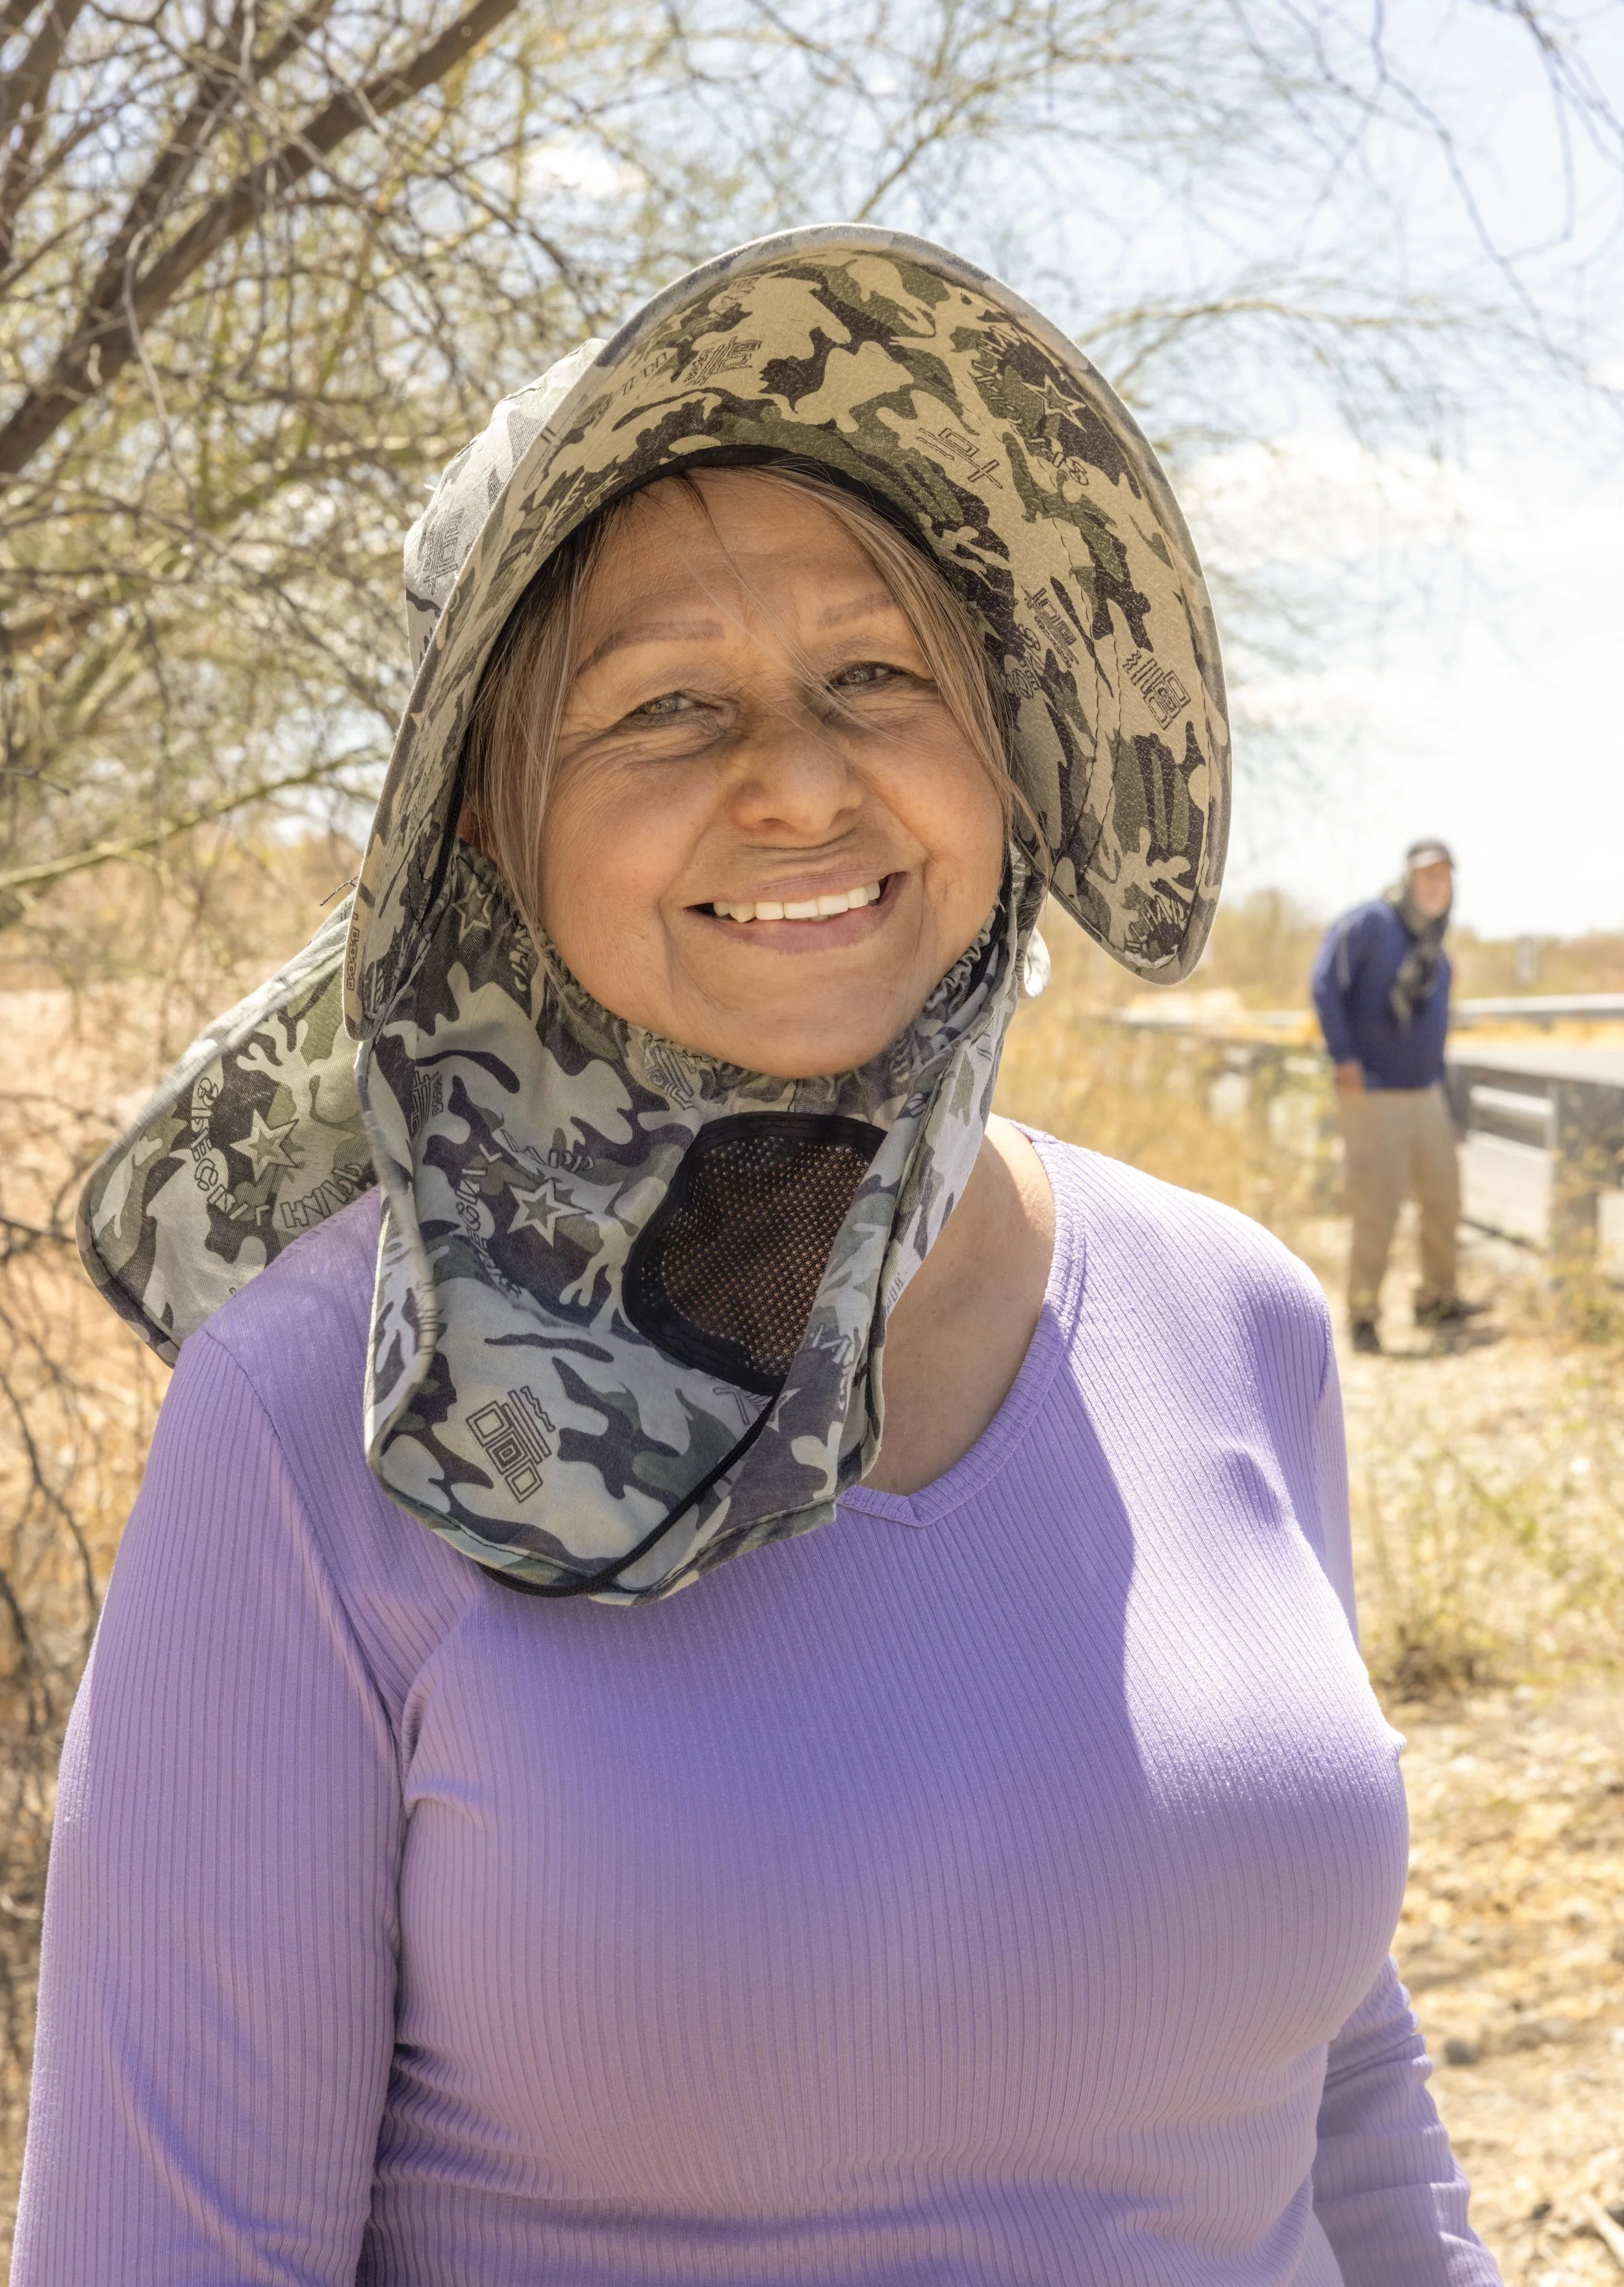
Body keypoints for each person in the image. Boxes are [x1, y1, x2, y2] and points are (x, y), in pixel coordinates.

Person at [16, 229, 1498, 2285]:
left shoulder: (1230, 1318)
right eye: (662, 704)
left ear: (1005, 747)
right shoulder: (308, 1425)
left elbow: (1342, 2106)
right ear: (480, 825)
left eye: (878, 675)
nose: (798, 777)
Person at [1311, 841, 1473, 1354]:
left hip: (1427, 1094)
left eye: (1443, 878)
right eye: (1427, 876)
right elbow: (1325, 984)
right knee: (1376, 1208)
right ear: (1408, 879)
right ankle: (1363, 1316)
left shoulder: (1435, 945)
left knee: (1444, 1199)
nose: (1436, 886)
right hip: (1373, 1092)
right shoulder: (1369, 923)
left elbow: (1434, 1024)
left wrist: (1443, 1086)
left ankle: (1437, 1300)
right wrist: (1345, 1058)